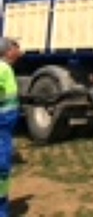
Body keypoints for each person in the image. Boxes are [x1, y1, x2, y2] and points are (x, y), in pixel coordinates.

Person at [0, 38, 22, 217]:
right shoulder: (3, 69)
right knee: (2, 165)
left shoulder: (5, 68)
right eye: (16, 48)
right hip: (3, 121)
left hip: (5, 122)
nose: (19, 52)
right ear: (7, 51)